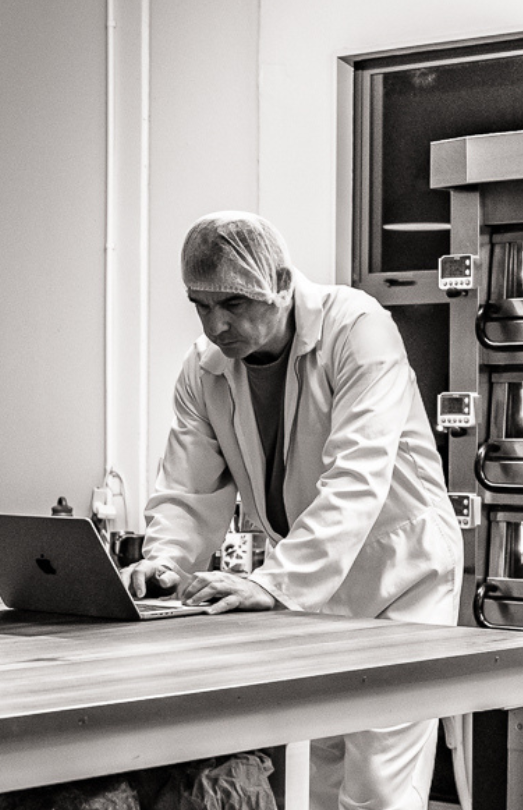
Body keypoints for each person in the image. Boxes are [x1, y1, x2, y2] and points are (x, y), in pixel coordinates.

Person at [122, 211, 463, 810]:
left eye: (233, 302)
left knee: (380, 789)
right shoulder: (203, 371)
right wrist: (166, 561)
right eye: (200, 306)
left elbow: (357, 479)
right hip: (307, 589)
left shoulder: (357, 329)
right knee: (312, 777)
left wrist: (275, 584)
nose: (216, 323)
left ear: (278, 282)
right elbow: (187, 488)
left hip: (398, 581)